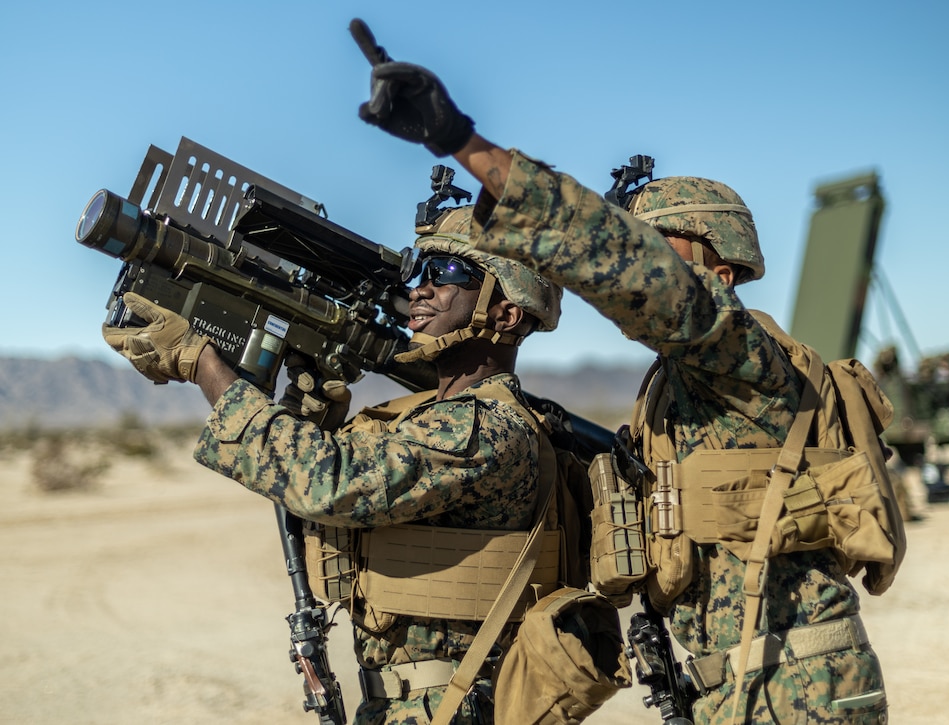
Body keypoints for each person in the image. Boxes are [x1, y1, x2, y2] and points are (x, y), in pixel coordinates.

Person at [348, 18, 897, 723]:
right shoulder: (678, 391)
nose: (639, 266)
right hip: (741, 689)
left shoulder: (748, 359)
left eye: (659, 251)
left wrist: (467, 145)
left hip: (796, 693)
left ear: (717, 272)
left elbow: (631, 272)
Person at [103, 202, 566, 725]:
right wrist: (312, 420)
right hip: (409, 704)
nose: (420, 289)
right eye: (419, 272)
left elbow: (329, 483)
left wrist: (202, 363)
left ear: (507, 314)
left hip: (453, 704)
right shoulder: (433, 417)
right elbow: (337, 495)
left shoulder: (485, 429)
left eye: (448, 274)